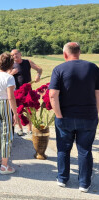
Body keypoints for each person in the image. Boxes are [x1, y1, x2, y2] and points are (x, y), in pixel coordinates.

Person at [49, 42, 99, 193]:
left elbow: (52, 95)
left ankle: (62, 179)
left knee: (63, 149)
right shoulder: (93, 68)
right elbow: (98, 94)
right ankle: (84, 184)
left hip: (65, 116)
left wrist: (59, 115)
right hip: (88, 116)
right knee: (85, 150)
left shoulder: (59, 69)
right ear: (79, 52)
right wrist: (96, 113)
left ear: (65, 54)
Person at [10, 49, 43, 136]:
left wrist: (38, 76)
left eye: (16, 54)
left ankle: (29, 129)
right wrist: (12, 73)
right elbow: (6, 76)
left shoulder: (27, 62)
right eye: (12, 55)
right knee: (18, 110)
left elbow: (39, 69)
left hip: (28, 90)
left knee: (29, 110)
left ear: (20, 53)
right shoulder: (11, 65)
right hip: (16, 91)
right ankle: (20, 129)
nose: (15, 56)